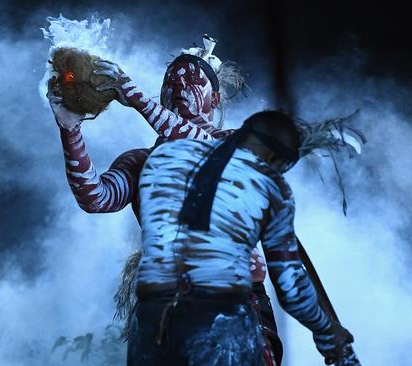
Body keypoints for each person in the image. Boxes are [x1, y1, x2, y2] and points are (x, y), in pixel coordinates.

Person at [46, 36, 283, 364]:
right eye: (171, 81)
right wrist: (69, 129)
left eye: (191, 81)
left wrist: (137, 98)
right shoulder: (141, 161)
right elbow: (95, 197)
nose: (178, 87)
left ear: (213, 100)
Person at [130, 110, 360, 365]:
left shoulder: (161, 159)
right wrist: (328, 334)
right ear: (273, 157)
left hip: (151, 325)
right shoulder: (270, 188)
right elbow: (291, 288)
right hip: (217, 328)